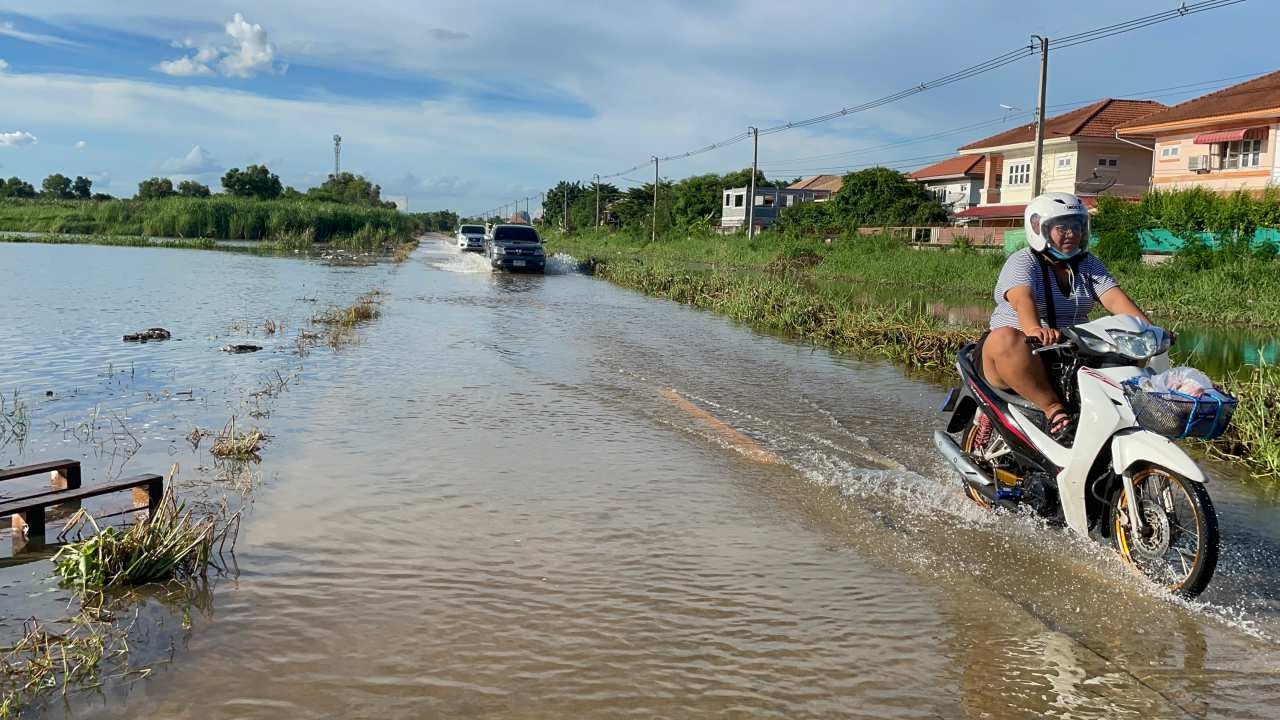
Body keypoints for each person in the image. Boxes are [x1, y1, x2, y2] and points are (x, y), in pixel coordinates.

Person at [979, 192, 1149, 443]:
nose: (1071, 233)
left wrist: (1148, 329)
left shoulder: (1087, 264)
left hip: (1067, 349)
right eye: (1062, 227)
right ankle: (1052, 410)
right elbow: (1022, 299)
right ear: (1039, 229)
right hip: (1020, 351)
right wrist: (1034, 329)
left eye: (1077, 226)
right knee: (1006, 338)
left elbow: (1114, 299)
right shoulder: (1023, 261)